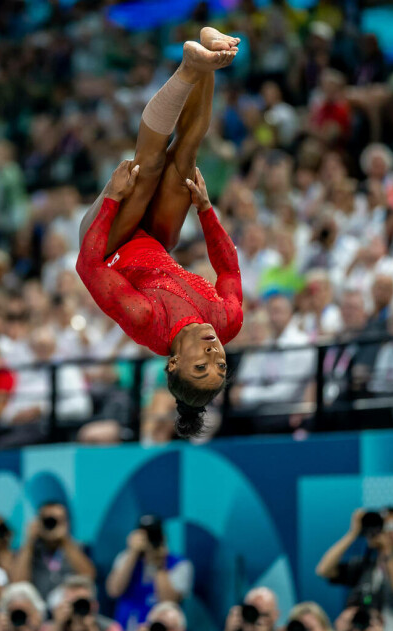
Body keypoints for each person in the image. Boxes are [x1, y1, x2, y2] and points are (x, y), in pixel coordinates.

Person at [76, 28, 242, 438]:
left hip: (107, 242)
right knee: (184, 160)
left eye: (200, 366)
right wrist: (205, 210)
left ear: (172, 364)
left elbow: (88, 266)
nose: (212, 353)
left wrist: (112, 200)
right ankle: (209, 54)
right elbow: (230, 273)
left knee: (146, 167)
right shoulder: (225, 321)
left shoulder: (145, 321)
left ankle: (188, 68)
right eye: (220, 364)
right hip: (154, 239)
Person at [107, 515, 193, 631]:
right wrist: (132, 552)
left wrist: (158, 565)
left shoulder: (180, 565)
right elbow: (114, 590)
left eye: (153, 535)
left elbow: (169, 601)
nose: (148, 540)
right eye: (144, 536)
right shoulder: (126, 558)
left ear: (163, 537)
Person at [24, 575, 124, 631]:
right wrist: (57, 626)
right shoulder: (51, 628)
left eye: (82, 603)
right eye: (72, 603)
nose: (77, 608)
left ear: (94, 605)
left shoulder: (109, 628)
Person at [12, 502, 96, 605]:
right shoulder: (29, 550)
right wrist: (29, 542)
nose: (52, 525)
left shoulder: (78, 548)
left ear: (67, 523)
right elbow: (18, 584)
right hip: (37, 612)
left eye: (58, 520)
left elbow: (89, 576)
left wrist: (65, 541)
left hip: (69, 608)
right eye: (48, 520)